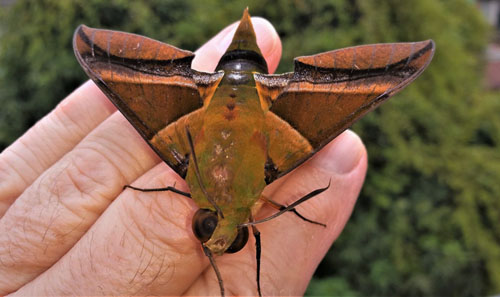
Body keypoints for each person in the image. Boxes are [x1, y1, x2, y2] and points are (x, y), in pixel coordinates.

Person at [0, 17, 367, 296]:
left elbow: (178, 194)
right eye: (235, 236)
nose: (222, 234)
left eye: (207, 227)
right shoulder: (225, 175)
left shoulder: (248, 186)